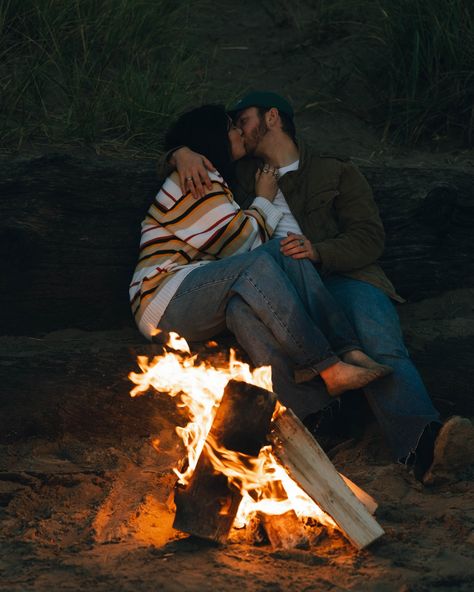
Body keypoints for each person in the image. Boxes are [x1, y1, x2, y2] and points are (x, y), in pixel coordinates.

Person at [168, 92, 474, 484]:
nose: (238, 129)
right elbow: (198, 150)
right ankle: (321, 426)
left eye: (243, 119)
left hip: (346, 280)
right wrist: (179, 153)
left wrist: (319, 251)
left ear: (272, 117)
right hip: (282, 290)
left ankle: (423, 449)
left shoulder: (335, 172)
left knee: (379, 344)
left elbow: (368, 237)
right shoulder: (242, 178)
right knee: (244, 315)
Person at [130, 104, 393, 409]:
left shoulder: (217, 181)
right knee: (266, 258)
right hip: (162, 297)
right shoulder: (194, 179)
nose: (239, 132)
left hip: (200, 293)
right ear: (214, 137)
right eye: (231, 127)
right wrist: (264, 198)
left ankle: (310, 408)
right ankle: (328, 363)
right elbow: (242, 245)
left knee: (252, 297)